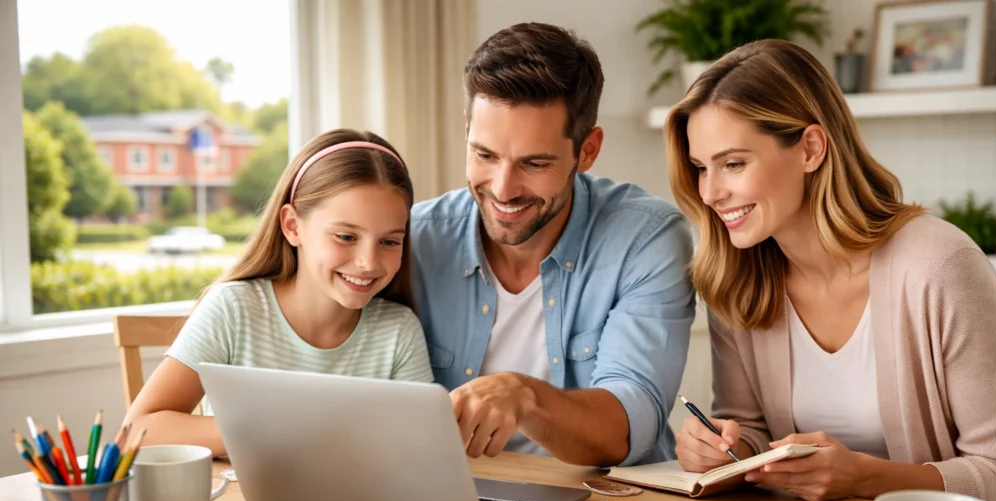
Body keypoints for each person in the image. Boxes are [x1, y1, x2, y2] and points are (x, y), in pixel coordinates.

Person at [668, 39, 996, 501]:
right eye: (700, 168)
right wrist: (720, 449)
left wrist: (864, 477)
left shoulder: (941, 267)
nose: (710, 192)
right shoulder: (737, 279)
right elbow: (751, 432)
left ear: (811, 149)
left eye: (733, 163)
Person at [411, 22, 695, 468]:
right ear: (467, 130)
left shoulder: (646, 239)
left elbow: (631, 422)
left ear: (588, 150)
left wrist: (524, 396)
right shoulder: (413, 239)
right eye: (485, 155)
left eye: (534, 162)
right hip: (455, 499)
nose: (503, 189)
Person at [126, 129, 433, 456]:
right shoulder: (234, 310)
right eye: (345, 236)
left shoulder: (399, 331)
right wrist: (282, 430)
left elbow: (419, 446)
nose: (368, 262)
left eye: (389, 241)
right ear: (292, 226)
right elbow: (139, 430)